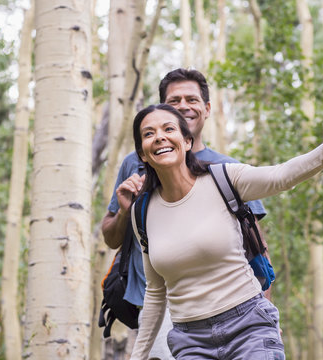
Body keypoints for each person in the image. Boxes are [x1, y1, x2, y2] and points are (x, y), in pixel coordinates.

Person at [128, 104, 323, 359]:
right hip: (190, 341)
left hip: (248, 326)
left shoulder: (223, 179)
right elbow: (155, 291)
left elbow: (280, 176)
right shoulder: (142, 211)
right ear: (143, 155)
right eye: (149, 134)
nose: (159, 136)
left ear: (186, 141)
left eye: (168, 129)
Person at [102, 69, 268, 359]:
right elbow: (111, 237)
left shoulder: (227, 170)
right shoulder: (137, 162)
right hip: (156, 303)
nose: (183, 106)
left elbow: (257, 247)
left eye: (191, 99)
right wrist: (126, 211)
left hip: (230, 308)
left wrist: (266, 312)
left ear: (206, 109)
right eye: (173, 100)